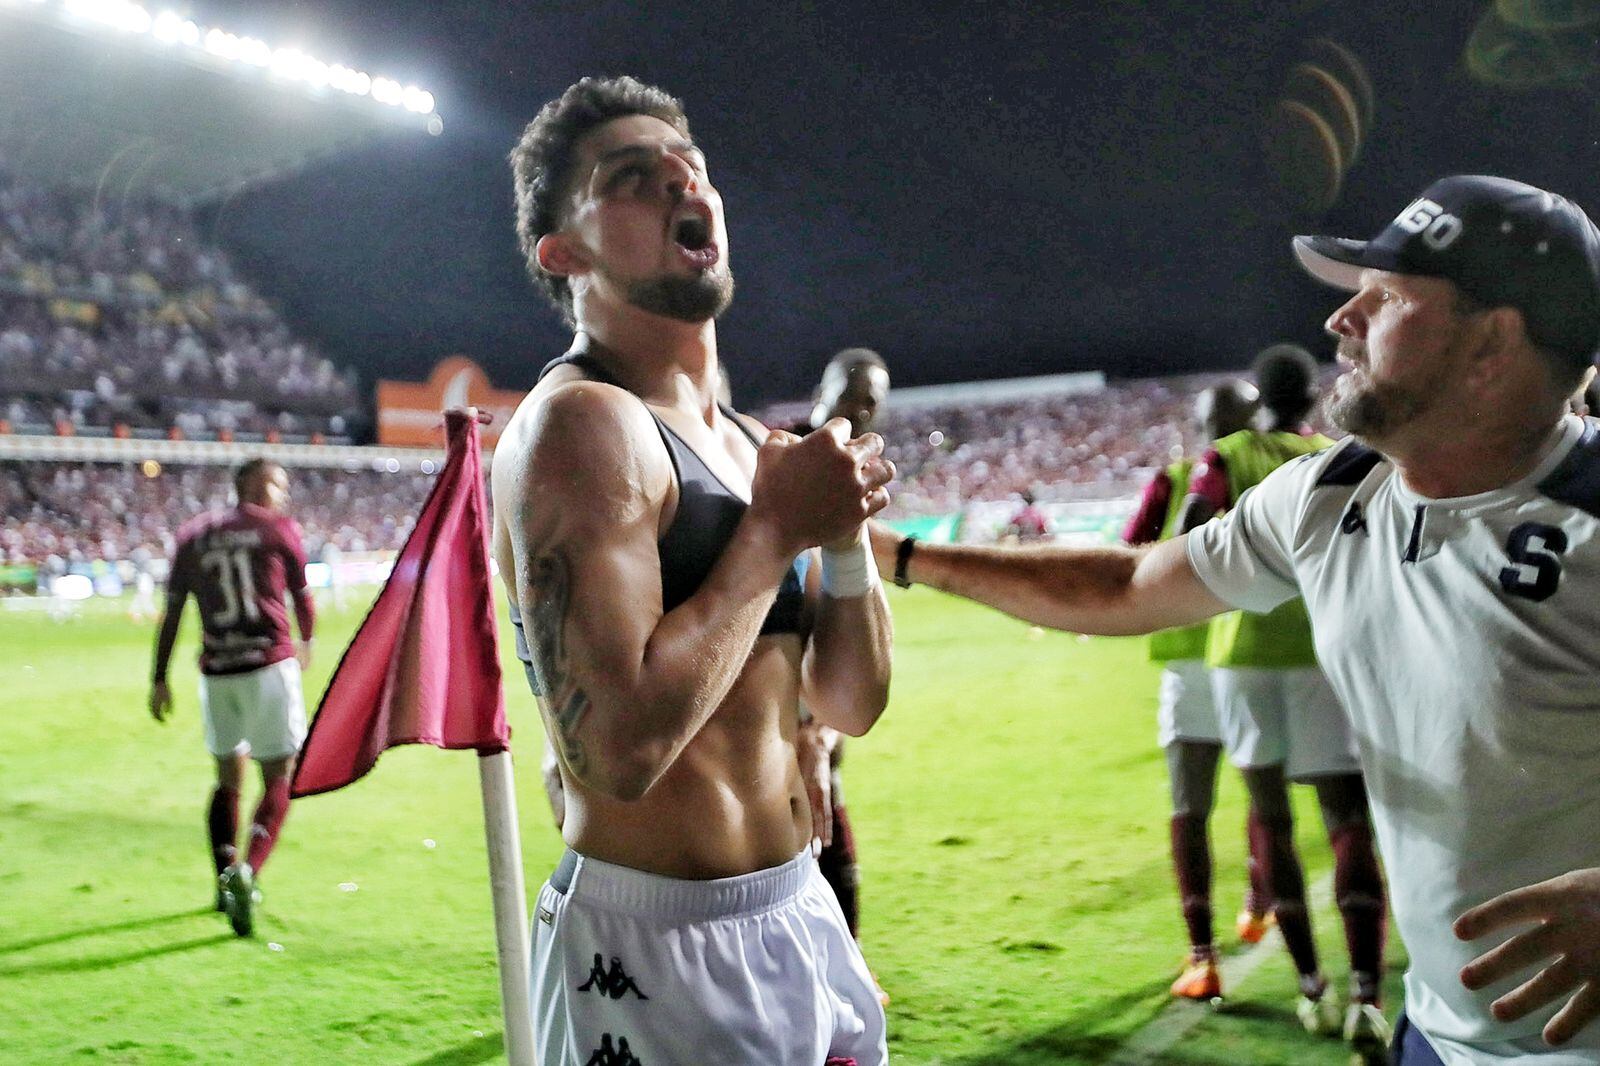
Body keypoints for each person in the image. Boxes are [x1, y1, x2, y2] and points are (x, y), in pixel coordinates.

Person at [873, 175, 1600, 1065]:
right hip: (1441, 1033)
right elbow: (1129, 585)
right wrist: (897, 554)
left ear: (1492, 343)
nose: (1342, 319)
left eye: (1387, 297)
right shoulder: (1329, 493)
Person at [496, 76, 894, 1065]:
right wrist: (777, 530)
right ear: (565, 251)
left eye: (691, 167)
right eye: (632, 178)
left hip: (797, 903)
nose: (683, 184)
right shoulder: (582, 423)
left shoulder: (751, 442)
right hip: (655, 944)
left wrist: (841, 537)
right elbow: (618, 753)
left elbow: (850, 703)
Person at [1180, 345, 1388, 1042]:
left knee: (1271, 819)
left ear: (1259, 397)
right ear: (1313, 397)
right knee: (1346, 817)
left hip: (1242, 657)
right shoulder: (1338, 457)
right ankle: (1367, 997)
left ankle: (1311, 989)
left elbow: (1188, 535)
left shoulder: (1226, 456)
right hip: (1322, 654)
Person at [1123, 379, 1277, 1002]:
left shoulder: (1177, 478)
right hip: (1261, 654)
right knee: (1264, 793)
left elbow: (1133, 548)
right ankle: (1259, 904)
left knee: (1191, 804)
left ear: (1202, 422)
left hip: (1192, 660)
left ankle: (1202, 955)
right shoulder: (1281, 471)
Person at [148, 458, 314, 938]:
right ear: (255, 485)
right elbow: (302, 596)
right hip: (268, 665)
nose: (283, 494)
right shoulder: (279, 530)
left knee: (227, 777)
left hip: (218, 671)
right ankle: (248, 872)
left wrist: (159, 677)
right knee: (280, 774)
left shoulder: (193, 535)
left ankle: (223, 877)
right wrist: (307, 639)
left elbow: (173, 611)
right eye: (277, 484)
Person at [795, 347, 892, 946]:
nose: (857, 410)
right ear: (822, 393)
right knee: (800, 816)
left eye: (869, 402)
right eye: (847, 395)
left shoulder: (859, 473)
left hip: (823, 676)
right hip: (774, 677)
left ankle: (845, 964)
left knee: (824, 806)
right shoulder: (778, 456)